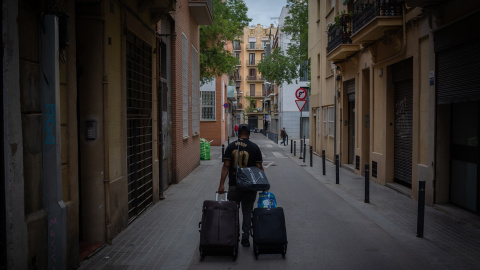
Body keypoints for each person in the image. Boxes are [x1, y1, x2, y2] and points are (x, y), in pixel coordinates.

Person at [218, 124, 264, 248]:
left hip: (234, 186)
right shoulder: (254, 148)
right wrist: (263, 183)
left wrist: (221, 184)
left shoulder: (231, 146)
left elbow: (226, 166)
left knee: (233, 211)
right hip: (250, 186)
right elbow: (259, 167)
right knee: (247, 211)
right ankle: (245, 238)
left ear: (238, 134)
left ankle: (233, 236)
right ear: (249, 134)